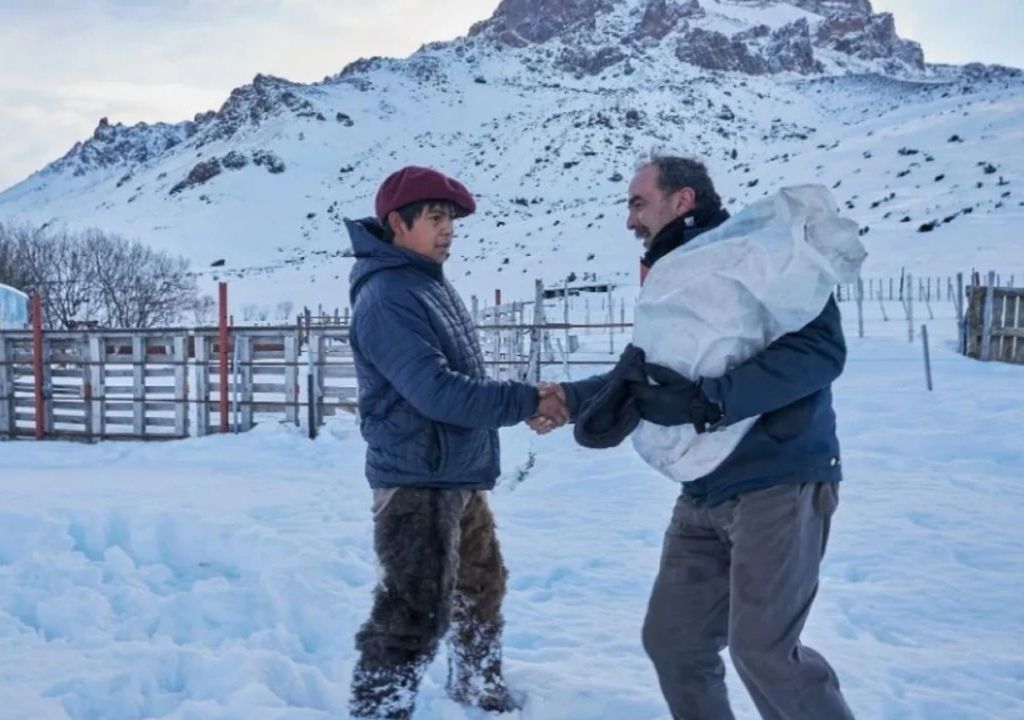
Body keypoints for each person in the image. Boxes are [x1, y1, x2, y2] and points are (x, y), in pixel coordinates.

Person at [535, 155, 856, 720]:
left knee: (766, 651)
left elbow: (820, 351)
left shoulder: (762, 254)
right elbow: (652, 372)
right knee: (675, 643)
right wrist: (573, 398)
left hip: (776, 477)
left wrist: (714, 399)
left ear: (682, 200)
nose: (630, 220)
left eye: (638, 203)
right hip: (704, 491)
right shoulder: (676, 274)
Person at [346, 165, 569, 719]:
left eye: (452, 220)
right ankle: (379, 710)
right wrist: (528, 401)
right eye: (436, 218)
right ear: (398, 223)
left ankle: (478, 687)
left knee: (481, 588)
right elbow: (438, 393)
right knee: (413, 612)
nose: (448, 230)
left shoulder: (425, 283)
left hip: (456, 475)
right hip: (417, 483)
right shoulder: (389, 296)